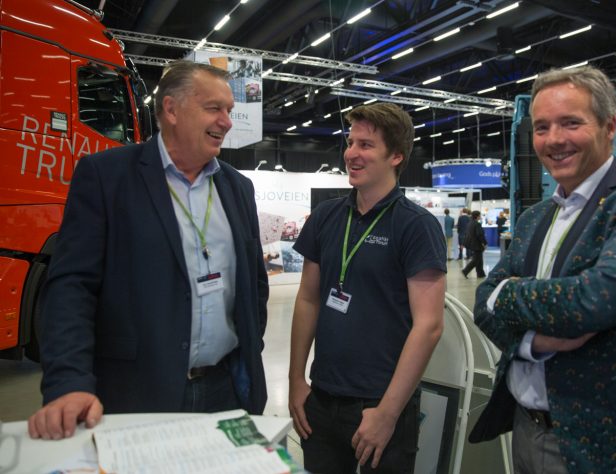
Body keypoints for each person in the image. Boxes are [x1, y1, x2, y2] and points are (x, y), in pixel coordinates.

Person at [468, 66, 616, 473]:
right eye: (541, 127)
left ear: (609, 126)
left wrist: (504, 292)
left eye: (571, 123)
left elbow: (593, 300)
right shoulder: (533, 219)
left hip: (615, 443)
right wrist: (533, 341)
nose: (554, 139)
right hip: (525, 431)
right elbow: (481, 305)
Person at [28, 60, 270, 440]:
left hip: (227, 389)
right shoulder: (106, 176)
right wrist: (69, 381)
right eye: (214, 108)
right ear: (171, 109)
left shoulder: (238, 188)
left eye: (229, 110)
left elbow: (254, 283)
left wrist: (251, 349)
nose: (226, 122)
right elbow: (72, 288)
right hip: (137, 393)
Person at [288, 102, 446, 474]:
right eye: (350, 143)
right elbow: (308, 299)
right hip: (322, 399)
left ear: (396, 156)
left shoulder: (416, 226)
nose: (351, 154)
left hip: (380, 404)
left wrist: (388, 413)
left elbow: (429, 326)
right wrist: (296, 380)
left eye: (366, 145)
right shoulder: (326, 217)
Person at [461, 210, 487, 278]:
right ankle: (465, 271)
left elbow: (467, 234)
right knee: (476, 260)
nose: (480, 216)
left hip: (472, 243)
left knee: (479, 259)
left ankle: (480, 274)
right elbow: (480, 235)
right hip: (477, 244)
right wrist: (484, 243)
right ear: (477, 216)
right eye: (479, 215)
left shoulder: (470, 223)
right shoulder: (477, 224)